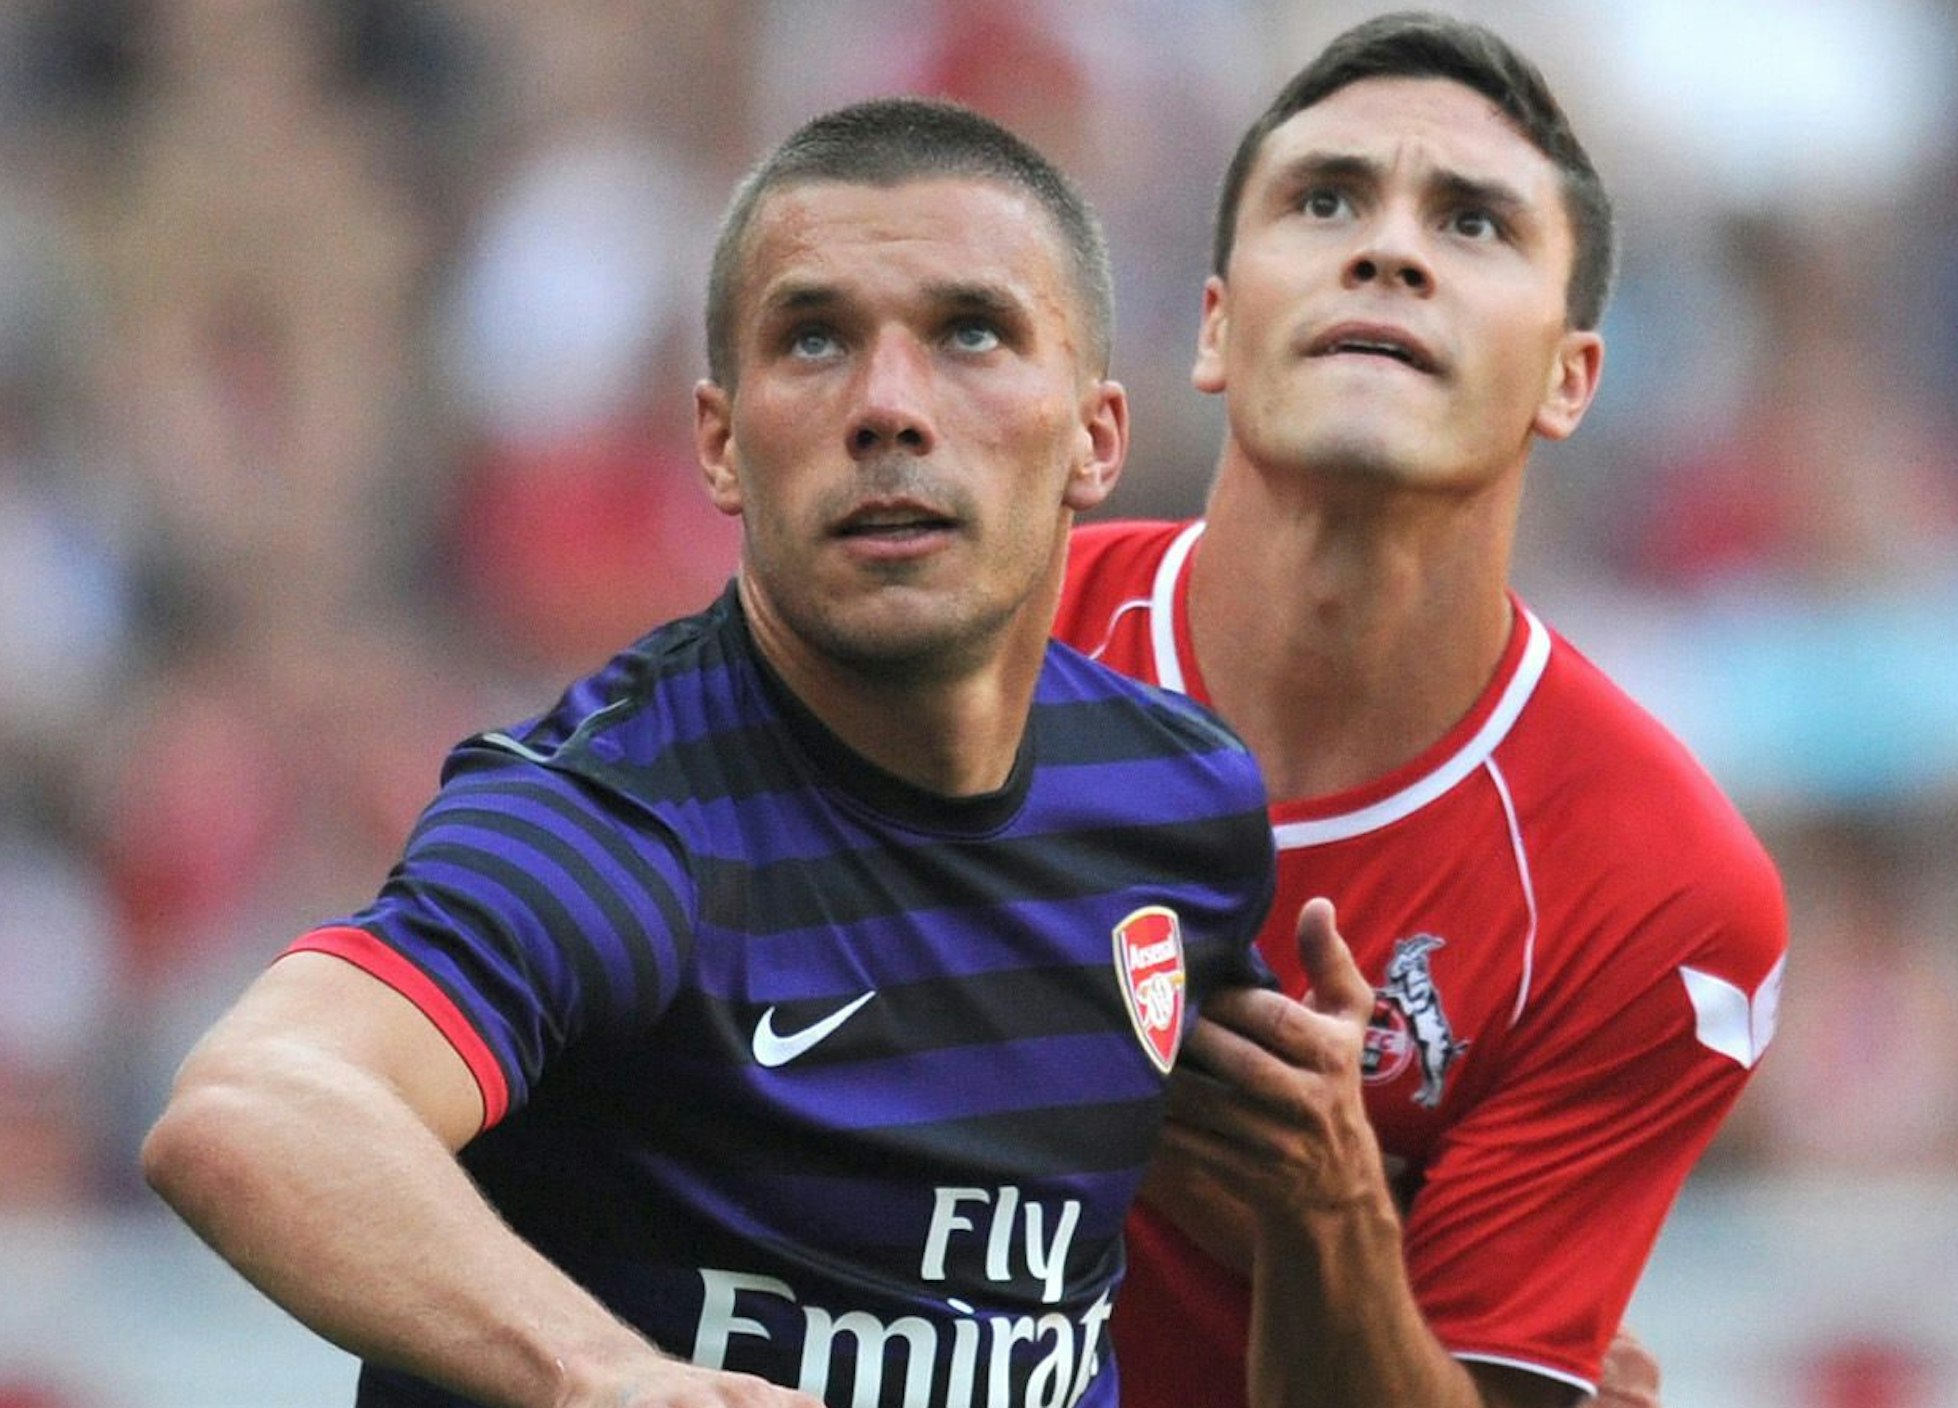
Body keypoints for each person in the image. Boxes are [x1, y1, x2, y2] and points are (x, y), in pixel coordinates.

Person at [140, 97, 1280, 1408]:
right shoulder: (617, 824)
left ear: (1096, 435)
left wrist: (1337, 1213)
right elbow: (251, 1108)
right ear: (721, 444)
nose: (889, 406)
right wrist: (610, 1378)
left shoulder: (1180, 805)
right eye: (815, 340)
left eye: (971, 332)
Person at [1051, 13, 1787, 1408]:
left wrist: (1321, 1207)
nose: (1387, 250)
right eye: (1324, 199)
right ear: (1215, 324)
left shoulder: (1663, 894)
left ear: (1569, 379)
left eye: (1474, 223)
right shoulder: (973, 643)